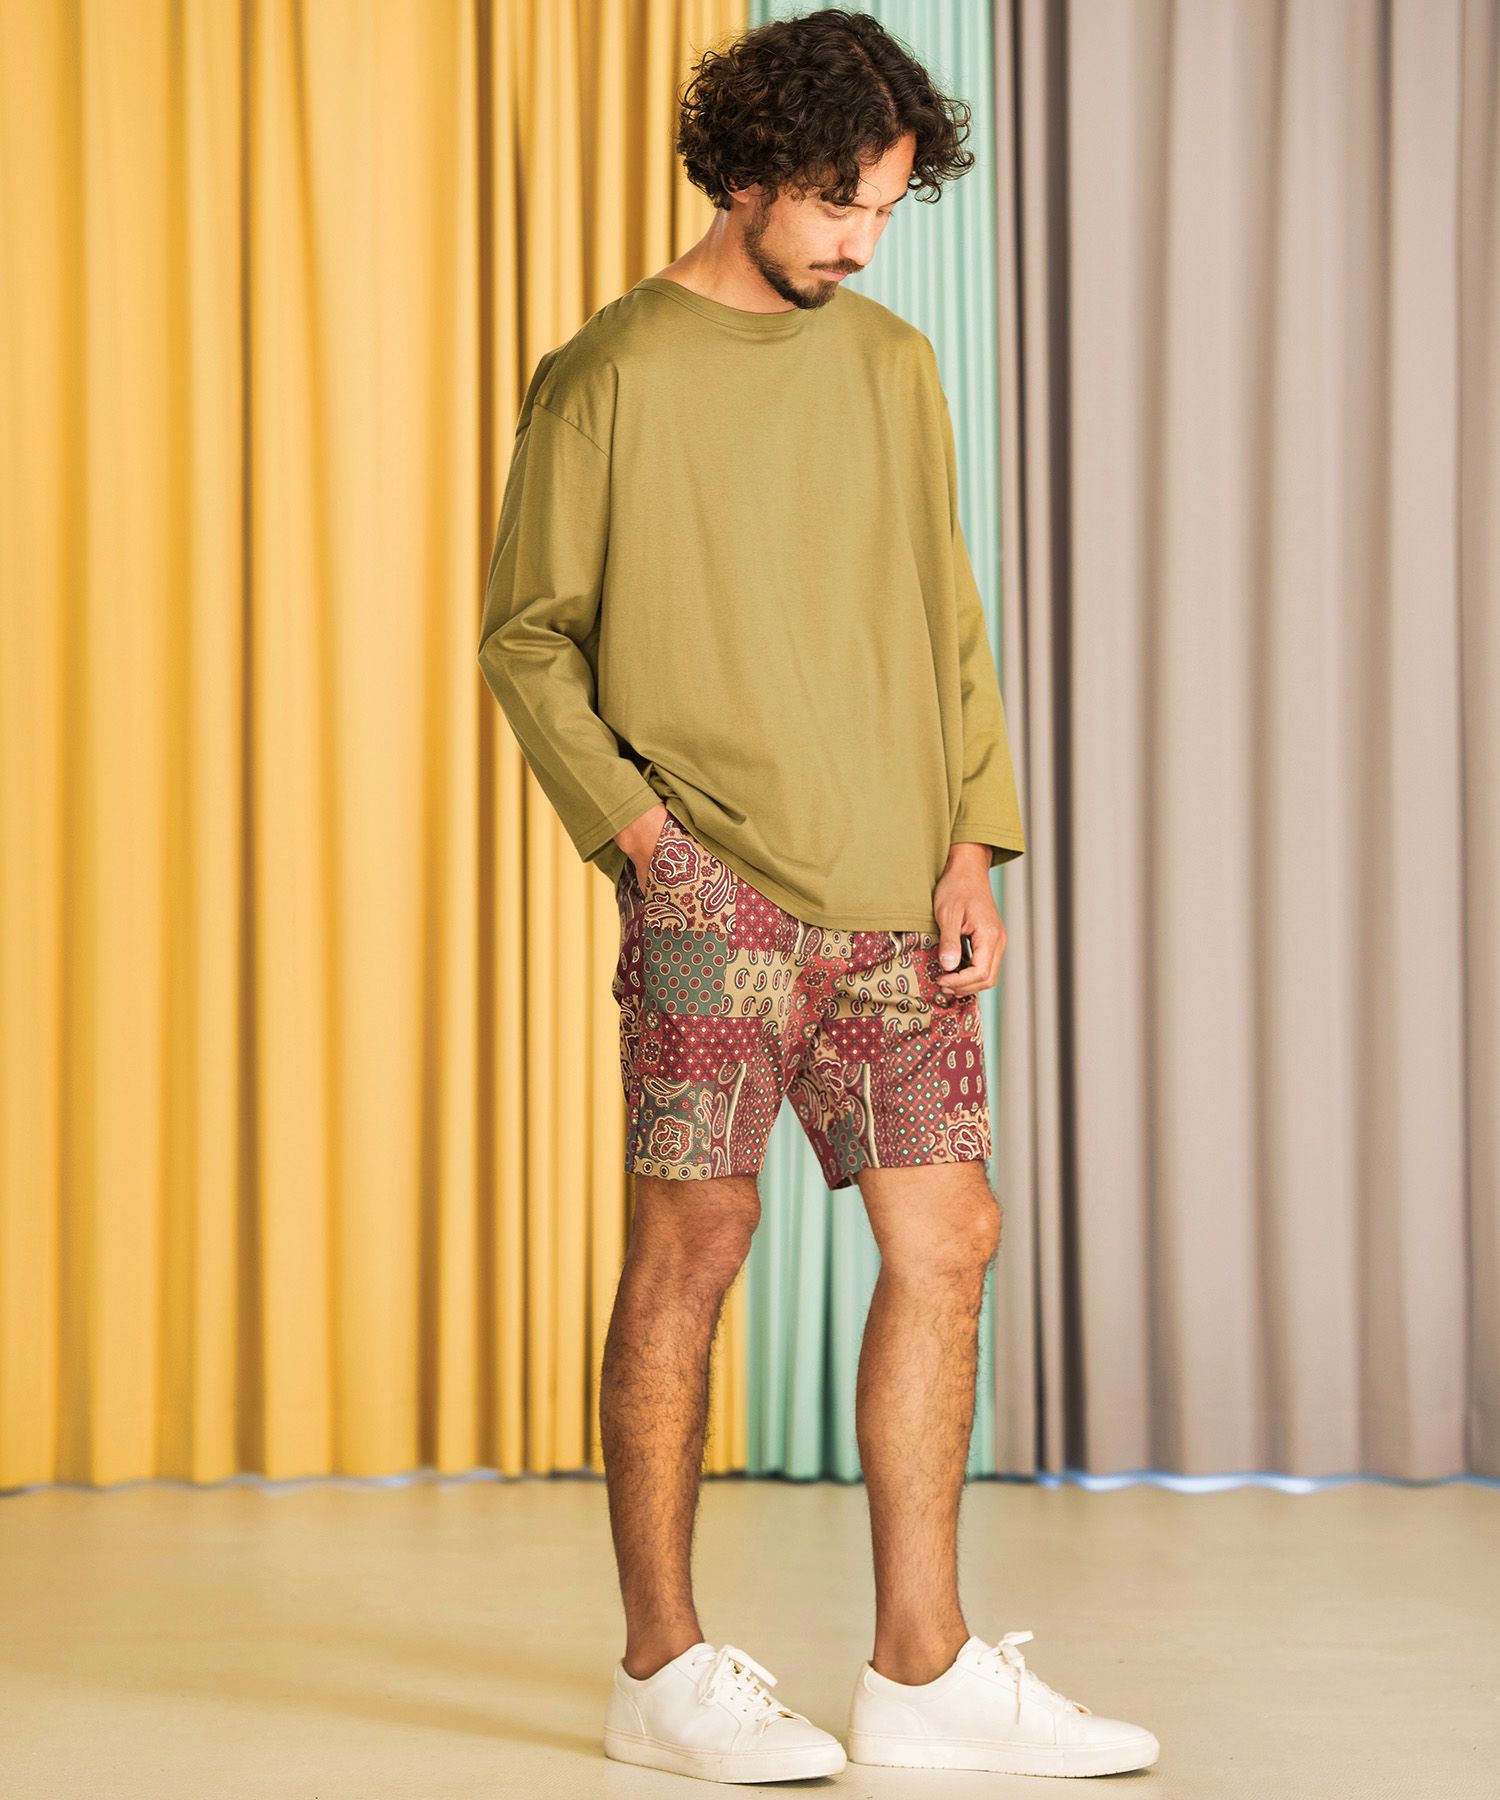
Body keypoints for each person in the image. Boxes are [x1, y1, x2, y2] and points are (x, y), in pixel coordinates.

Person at [478, 8, 1159, 1784]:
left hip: (895, 907)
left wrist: (972, 843)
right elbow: (529, 639)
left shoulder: (894, 365)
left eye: (885, 207)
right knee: (692, 1248)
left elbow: (948, 617)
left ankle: (922, 1675)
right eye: (839, 202)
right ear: (752, 171)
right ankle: (660, 1669)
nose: (862, 239)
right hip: (715, 900)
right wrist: (648, 844)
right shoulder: (610, 372)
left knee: (952, 1239)